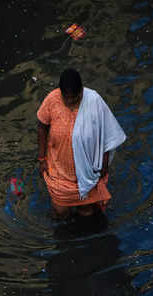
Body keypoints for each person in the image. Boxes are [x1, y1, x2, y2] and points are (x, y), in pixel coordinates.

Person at [37, 68, 126, 219]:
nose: (71, 102)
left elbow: (107, 136)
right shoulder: (52, 100)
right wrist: (41, 159)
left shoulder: (94, 101)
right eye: (67, 98)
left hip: (89, 172)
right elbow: (41, 127)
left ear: (82, 91)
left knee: (88, 213)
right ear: (60, 93)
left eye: (75, 97)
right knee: (60, 213)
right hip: (59, 171)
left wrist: (104, 165)